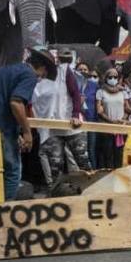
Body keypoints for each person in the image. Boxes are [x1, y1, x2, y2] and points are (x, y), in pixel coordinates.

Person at [0, 49, 57, 200]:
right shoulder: (29, 76)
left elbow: (1, 103)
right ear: (42, 68)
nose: (42, 78)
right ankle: (3, 211)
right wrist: (27, 132)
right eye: (44, 74)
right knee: (12, 171)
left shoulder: (8, 70)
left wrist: (16, 134)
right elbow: (16, 103)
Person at [33, 50, 86, 189]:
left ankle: (89, 190)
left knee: (82, 161)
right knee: (56, 166)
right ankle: (58, 195)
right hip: (52, 128)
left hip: (71, 124)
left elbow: (75, 94)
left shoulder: (64, 71)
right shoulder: (37, 80)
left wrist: (75, 114)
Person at [96, 68, 128, 168]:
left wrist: (122, 120)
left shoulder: (123, 92)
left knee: (120, 153)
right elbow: (99, 111)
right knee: (107, 154)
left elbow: (127, 108)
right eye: (110, 77)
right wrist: (112, 122)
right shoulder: (100, 92)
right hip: (107, 128)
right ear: (106, 78)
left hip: (121, 127)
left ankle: (119, 175)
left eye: (115, 77)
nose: (113, 78)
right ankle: (108, 176)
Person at [75, 62, 100, 169]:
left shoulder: (94, 85)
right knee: (79, 151)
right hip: (77, 122)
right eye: (80, 69)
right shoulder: (72, 84)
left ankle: (93, 173)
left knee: (91, 149)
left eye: (85, 69)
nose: (83, 71)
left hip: (91, 121)